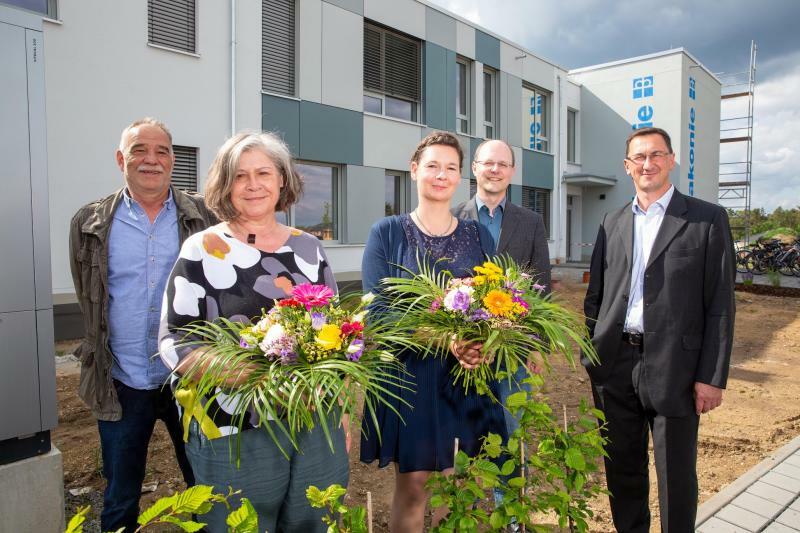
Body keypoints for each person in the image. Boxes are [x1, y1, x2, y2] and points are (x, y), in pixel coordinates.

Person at [158, 131, 349, 532]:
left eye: (264, 172)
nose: (253, 184)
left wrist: (341, 415)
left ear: (282, 179)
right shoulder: (201, 249)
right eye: (240, 175)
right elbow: (174, 340)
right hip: (232, 426)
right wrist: (234, 372)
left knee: (313, 520)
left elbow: (336, 337)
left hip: (313, 421)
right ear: (225, 185)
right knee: (237, 525)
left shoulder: (309, 249)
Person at [583, 127, 735, 532]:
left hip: (679, 369)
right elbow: (596, 295)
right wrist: (592, 354)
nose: (647, 164)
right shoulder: (612, 221)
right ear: (627, 166)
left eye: (656, 155)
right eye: (638, 158)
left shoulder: (706, 218)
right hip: (616, 364)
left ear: (670, 160)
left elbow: (720, 304)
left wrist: (711, 376)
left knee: (676, 475)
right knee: (622, 470)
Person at [69, 117, 214, 532]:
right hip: (122, 378)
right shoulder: (90, 222)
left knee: (206, 486)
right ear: (121, 159)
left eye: (162, 151)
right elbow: (89, 298)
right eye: (139, 150)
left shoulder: (203, 215)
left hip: (190, 377)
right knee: (120, 496)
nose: (151, 159)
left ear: (173, 160)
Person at [359, 131, 507, 532]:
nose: (441, 175)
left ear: (461, 177)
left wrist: (486, 343)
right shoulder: (386, 233)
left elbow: (495, 301)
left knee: (457, 489)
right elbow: (380, 315)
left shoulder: (478, 235)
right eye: (432, 166)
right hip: (411, 378)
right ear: (414, 171)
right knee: (414, 487)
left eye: (451, 168)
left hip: (465, 381)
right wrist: (447, 338)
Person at [452, 138, 552, 519]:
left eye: (502, 164)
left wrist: (538, 346)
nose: (494, 170)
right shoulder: (453, 217)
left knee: (510, 435)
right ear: (474, 168)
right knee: (459, 438)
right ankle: (459, 516)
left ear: (512, 171)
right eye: (487, 163)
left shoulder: (530, 222)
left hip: (514, 352)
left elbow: (542, 287)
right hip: (464, 354)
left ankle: (509, 518)